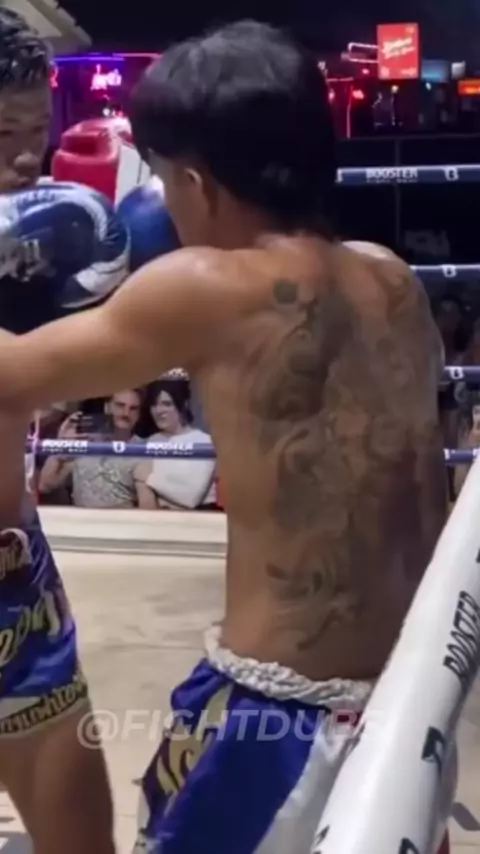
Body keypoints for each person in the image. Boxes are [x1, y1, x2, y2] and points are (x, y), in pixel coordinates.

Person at [0, 20, 450, 854]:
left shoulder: (204, 285)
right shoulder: (393, 281)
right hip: (409, 709)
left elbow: (11, 378)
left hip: (274, 725)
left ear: (196, 184)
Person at [0, 9, 129, 854]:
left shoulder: (25, 243)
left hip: (15, 580)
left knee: (81, 839)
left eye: (33, 133)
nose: (25, 160)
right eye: (1, 135)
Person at [39, 389, 145, 508]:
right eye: (120, 405)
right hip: (80, 518)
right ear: (107, 408)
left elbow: (147, 506)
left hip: (122, 518)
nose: (126, 413)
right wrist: (60, 446)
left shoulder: (144, 449)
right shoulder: (85, 442)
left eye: (133, 409)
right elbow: (45, 485)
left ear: (139, 414)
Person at [135, 379, 216, 510]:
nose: (159, 411)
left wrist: (150, 478)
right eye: (154, 405)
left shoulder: (204, 442)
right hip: (160, 517)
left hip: (199, 516)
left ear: (182, 405)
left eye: (167, 404)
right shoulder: (151, 441)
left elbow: (191, 498)